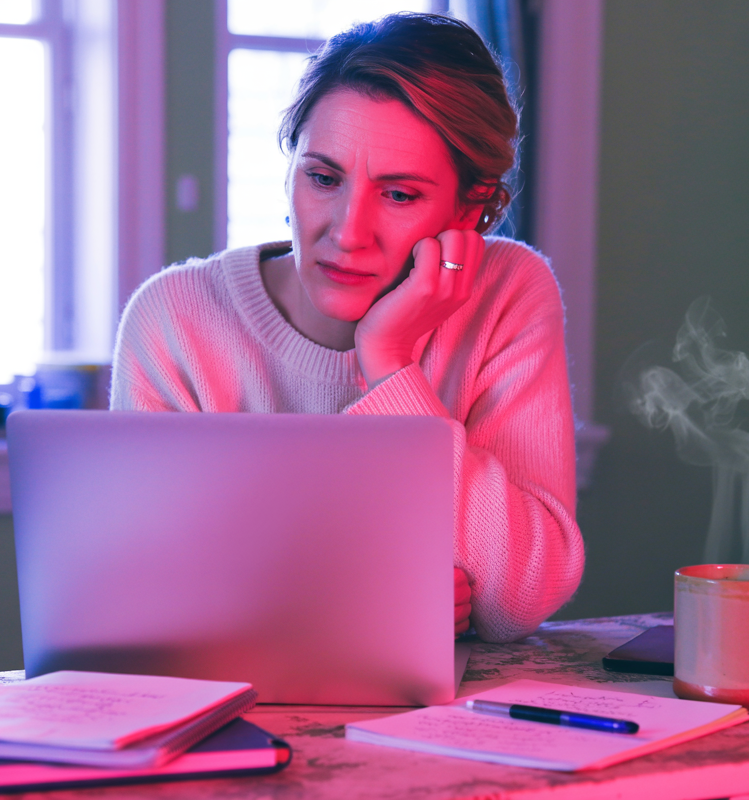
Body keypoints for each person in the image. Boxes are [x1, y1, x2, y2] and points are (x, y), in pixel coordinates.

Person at [111, 12, 582, 643]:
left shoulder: (508, 292)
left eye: (399, 194)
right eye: (324, 178)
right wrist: (363, 598)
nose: (346, 232)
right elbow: (141, 604)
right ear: (291, 172)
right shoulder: (175, 319)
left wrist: (389, 363)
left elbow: (520, 596)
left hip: (442, 724)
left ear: (471, 207)